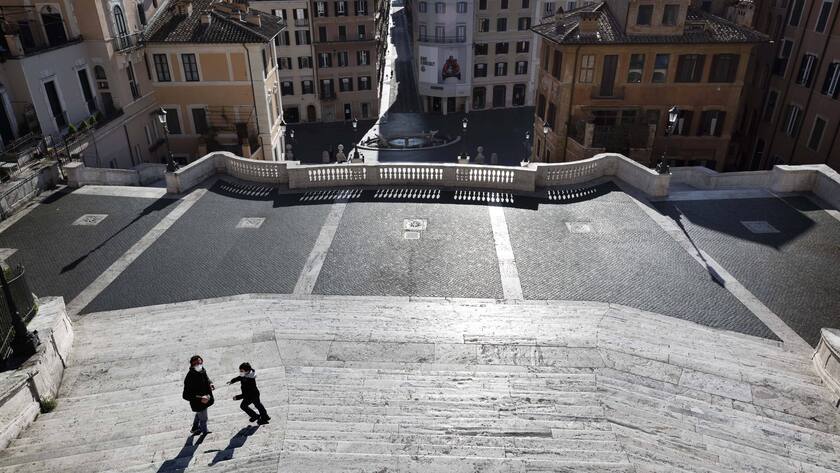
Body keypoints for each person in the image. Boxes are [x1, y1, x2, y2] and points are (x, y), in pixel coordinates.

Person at [182, 355, 215, 435]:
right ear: (192, 365)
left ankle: (195, 427)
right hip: (198, 402)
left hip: (206, 398)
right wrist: (201, 398)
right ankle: (204, 432)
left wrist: (210, 383)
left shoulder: (202, 369)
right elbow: (185, 395)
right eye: (195, 363)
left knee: (199, 413)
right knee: (204, 418)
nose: (198, 364)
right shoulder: (190, 377)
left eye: (199, 362)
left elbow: (206, 377)